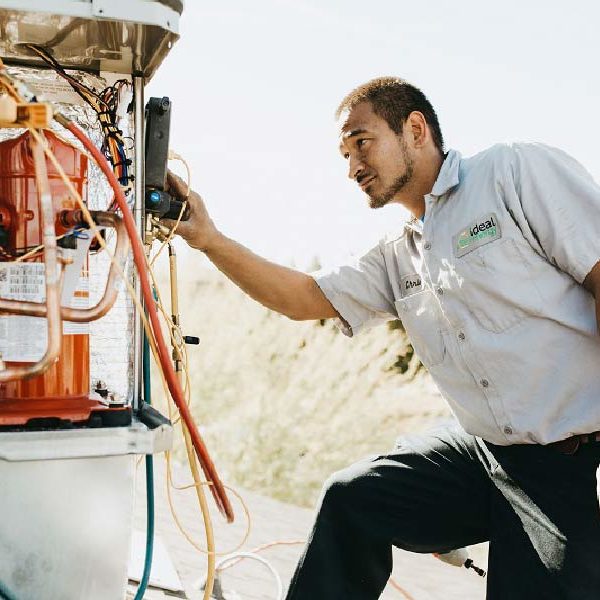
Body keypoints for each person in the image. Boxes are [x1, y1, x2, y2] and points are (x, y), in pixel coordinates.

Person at [164, 77, 600, 599]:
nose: (352, 168)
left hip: (567, 461)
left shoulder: (513, 172)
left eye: (362, 143)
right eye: (344, 154)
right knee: (354, 498)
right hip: (485, 453)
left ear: (414, 129)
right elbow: (304, 298)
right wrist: (208, 239)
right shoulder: (398, 253)